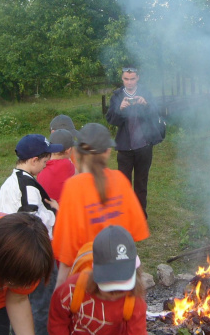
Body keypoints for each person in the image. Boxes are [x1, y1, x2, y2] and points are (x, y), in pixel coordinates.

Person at [53, 123, 150, 288]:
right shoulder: (120, 180)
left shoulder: (73, 188)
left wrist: (58, 291)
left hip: (89, 282)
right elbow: (134, 235)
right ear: (108, 152)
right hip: (124, 277)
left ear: (77, 153)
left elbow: (67, 256)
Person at [0, 134, 63, 335]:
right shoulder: (27, 189)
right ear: (34, 160)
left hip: (14, 253)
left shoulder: (14, 181)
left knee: (20, 296)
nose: (48, 163)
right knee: (41, 302)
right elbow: (32, 224)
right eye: (46, 158)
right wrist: (55, 212)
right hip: (32, 254)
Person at [48, 225, 149, 335]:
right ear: (96, 274)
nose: (114, 296)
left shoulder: (134, 301)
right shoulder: (72, 290)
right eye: (109, 289)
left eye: (121, 289)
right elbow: (57, 323)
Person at [105, 67, 164, 217]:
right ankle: (124, 216)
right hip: (125, 148)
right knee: (123, 184)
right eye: (126, 79)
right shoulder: (117, 96)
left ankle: (140, 216)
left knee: (141, 183)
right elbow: (111, 119)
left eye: (132, 79)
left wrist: (146, 105)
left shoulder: (146, 93)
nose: (129, 82)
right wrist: (121, 109)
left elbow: (156, 114)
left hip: (144, 146)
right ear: (122, 79)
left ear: (137, 78)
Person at [38, 129, 77, 202]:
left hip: (45, 206)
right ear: (68, 150)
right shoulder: (67, 165)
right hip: (60, 209)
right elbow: (79, 177)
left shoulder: (42, 165)